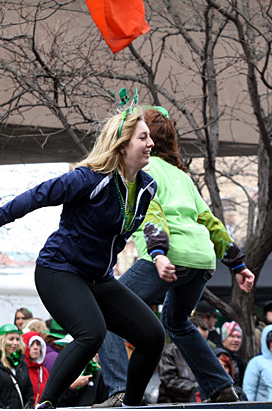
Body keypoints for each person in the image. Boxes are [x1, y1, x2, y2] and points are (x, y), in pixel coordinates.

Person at [0, 107, 165, 408]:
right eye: (143, 137)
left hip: (100, 278)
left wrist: (159, 252)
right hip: (59, 270)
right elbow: (38, 195)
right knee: (91, 332)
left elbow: (151, 226)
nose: (151, 143)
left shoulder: (146, 187)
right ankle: (45, 404)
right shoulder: (89, 179)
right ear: (123, 144)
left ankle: (129, 404)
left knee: (153, 335)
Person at [96, 108, 254, 407]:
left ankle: (119, 390)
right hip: (202, 258)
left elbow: (153, 211)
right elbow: (210, 221)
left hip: (170, 255)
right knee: (176, 320)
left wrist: (158, 253)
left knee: (106, 310)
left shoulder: (143, 171)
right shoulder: (182, 177)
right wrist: (237, 263)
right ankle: (221, 387)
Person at [23, 331, 50, 407]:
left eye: (38, 344)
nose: (35, 347)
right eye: (32, 344)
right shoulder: (21, 369)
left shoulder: (44, 371)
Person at [220, 321, 247, 389]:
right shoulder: (218, 358)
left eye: (238, 337)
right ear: (224, 339)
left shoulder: (241, 361)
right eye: (232, 336)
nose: (236, 340)